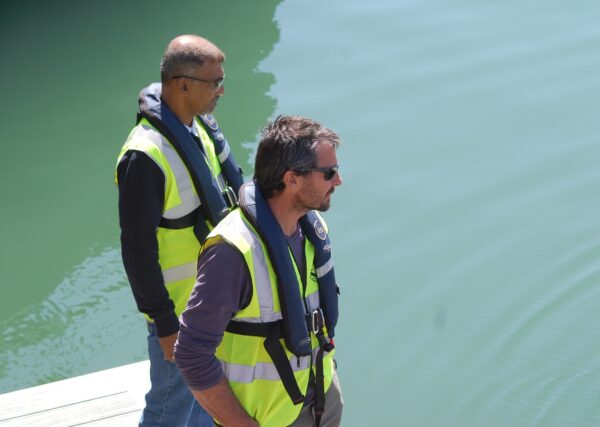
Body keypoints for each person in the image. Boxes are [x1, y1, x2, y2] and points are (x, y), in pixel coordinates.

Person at [175, 116, 344, 427]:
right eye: (329, 173)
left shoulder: (312, 228)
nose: (338, 181)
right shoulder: (232, 252)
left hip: (322, 400)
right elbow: (191, 354)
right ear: (292, 179)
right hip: (268, 418)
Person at [115, 35, 244, 426]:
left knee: (207, 405)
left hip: (212, 303)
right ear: (183, 84)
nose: (221, 90)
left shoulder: (199, 129)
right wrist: (165, 324)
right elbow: (137, 251)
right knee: (169, 410)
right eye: (215, 82)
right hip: (180, 315)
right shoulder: (144, 157)